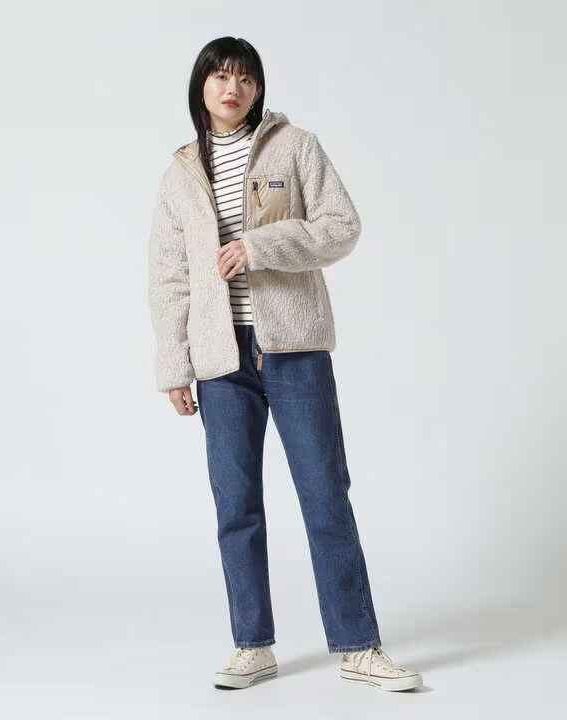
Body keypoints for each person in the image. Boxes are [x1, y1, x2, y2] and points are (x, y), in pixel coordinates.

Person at [148, 36, 423, 693]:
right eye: (220, 76)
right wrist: (175, 364)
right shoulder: (181, 171)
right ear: (201, 86)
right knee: (236, 505)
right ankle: (252, 645)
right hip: (220, 358)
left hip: (294, 349)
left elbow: (341, 225)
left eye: (244, 78)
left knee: (325, 495)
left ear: (258, 88)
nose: (232, 88)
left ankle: (358, 645)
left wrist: (260, 245)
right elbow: (169, 276)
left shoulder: (296, 147)